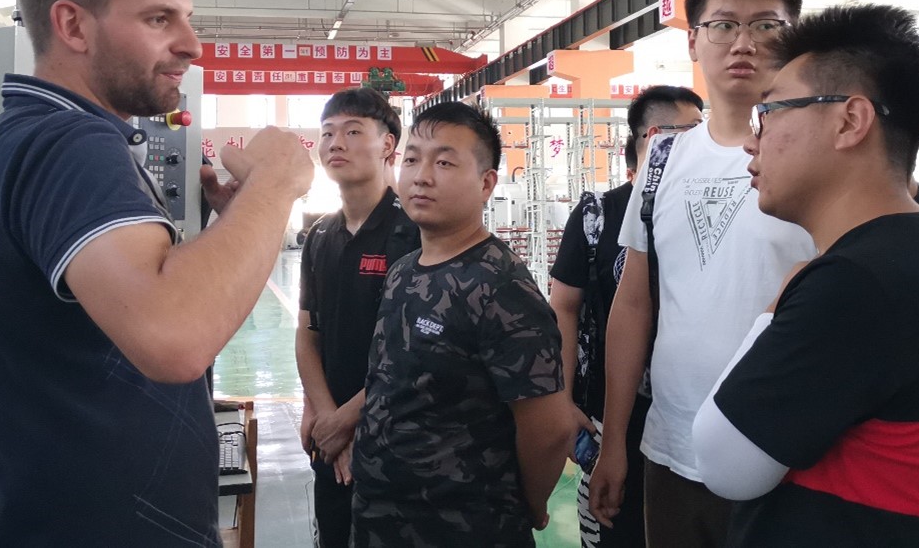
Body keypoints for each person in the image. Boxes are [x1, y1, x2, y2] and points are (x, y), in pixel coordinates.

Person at [0, 0, 314, 545]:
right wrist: (276, 183)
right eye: (158, 19)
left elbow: (133, 301)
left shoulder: (36, 137)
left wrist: (235, 221)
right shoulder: (69, 143)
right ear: (72, 26)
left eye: (186, 18)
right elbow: (173, 337)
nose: (192, 44)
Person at [692, 4, 919, 546]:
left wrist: (774, 310)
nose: (751, 140)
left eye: (769, 112)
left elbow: (724, 464)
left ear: (850, 121)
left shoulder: (860, 281)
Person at [588, 0, 816, 547]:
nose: (744, 43)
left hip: (787, 452)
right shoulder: (663, 159)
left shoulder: (822, 155)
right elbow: (632, 305)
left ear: (794, 35)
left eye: (766, 25)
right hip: (671, 447)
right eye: (723, 25)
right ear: (693, 41)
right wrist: (614, 440)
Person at [350, 102, 577, 547]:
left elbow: (551, 429)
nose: (421, 176)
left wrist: (527, 505)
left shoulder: (500, 286)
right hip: (380, 521)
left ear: (486, 183)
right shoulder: (404, 271)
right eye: (412, 159)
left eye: (444, 162)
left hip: (465, 528)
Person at [548, 85, 704, 548]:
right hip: (609, 415)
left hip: (690, 415)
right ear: (657, 138)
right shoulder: (597, 215)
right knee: (613, 525)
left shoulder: (708, 211)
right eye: (695, 134)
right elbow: (564, 308)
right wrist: (564, 398)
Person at [296, 87, 420, 547]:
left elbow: (415, 352)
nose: (336, 143)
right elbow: (308, 333)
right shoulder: (320, 236)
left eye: (352, 132)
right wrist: (323, 414)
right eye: (328, 133)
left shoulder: (413, 232)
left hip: (397, 441)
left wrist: (346, 421)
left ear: (388, 144)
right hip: (330, 443)